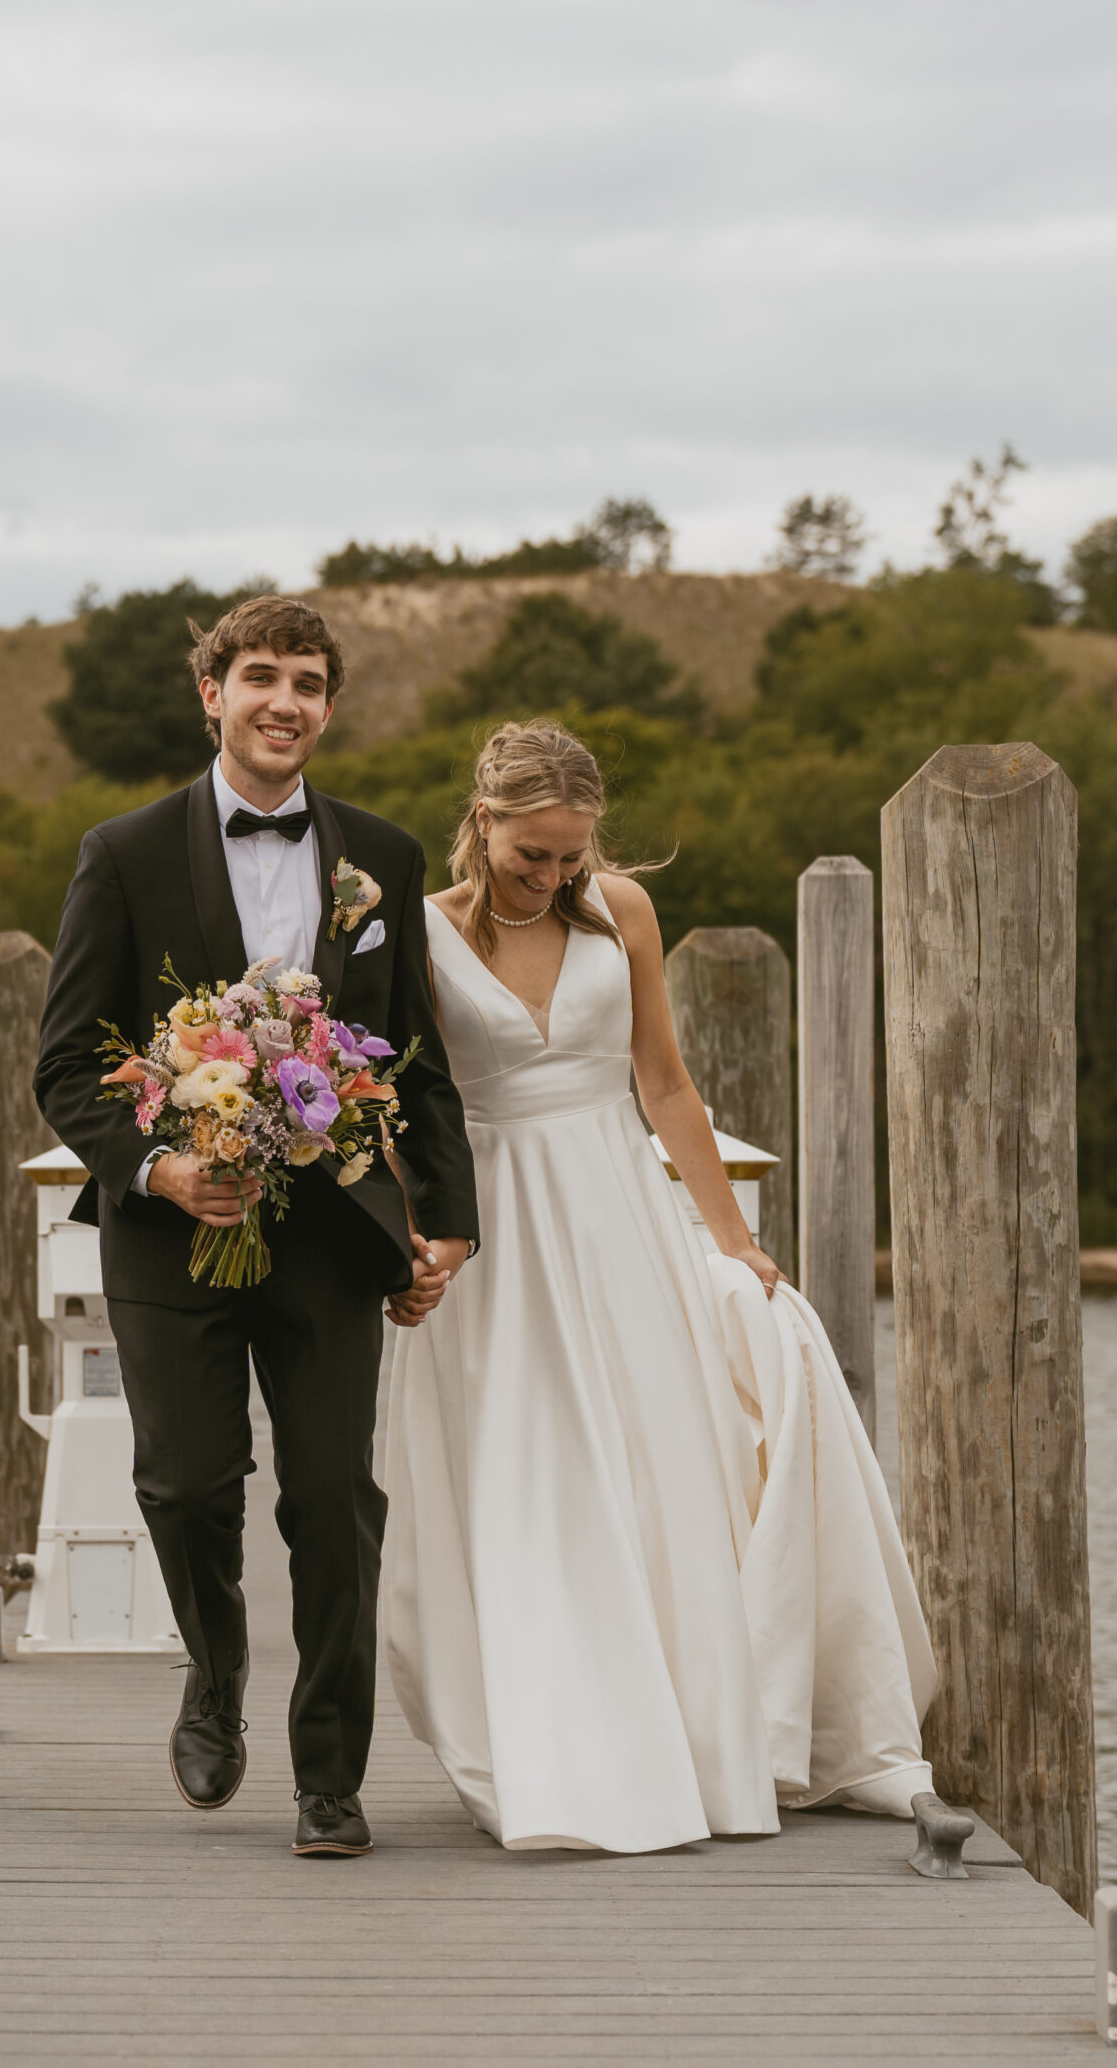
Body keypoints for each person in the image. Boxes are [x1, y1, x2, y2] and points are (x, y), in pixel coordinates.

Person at [383, 718, 937, 1854]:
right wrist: (417, 1239)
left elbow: (667, 1084)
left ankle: (686, 1738)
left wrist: (729, 1236)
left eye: (570, 855)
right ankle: (551, 1744)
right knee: (526, 1475)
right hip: (493, 1227)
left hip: (619, 1208)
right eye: (531, 852)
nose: (551, 874)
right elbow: (403, 1113)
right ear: (481, 822)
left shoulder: (620, 911)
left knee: (648, 1462)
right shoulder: (419, 935)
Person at [35, 596, 479, 1860]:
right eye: (261, 678)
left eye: (308, 683)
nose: (284, 701)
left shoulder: (381, 860)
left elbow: (420, 1064)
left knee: (334, 1498)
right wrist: (162, 1165)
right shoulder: (119, 853)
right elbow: (66, 1065)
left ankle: (330, 1778)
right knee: (185, 1486)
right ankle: (214, 1668)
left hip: (333, 1234)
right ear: (212, 694)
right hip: (172, 1230)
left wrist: (440, 1224)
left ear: (328, 707)